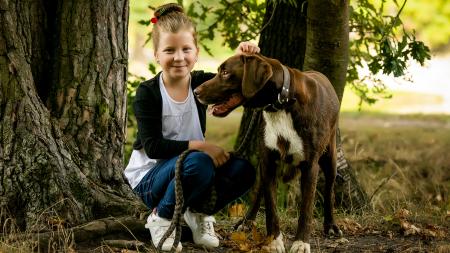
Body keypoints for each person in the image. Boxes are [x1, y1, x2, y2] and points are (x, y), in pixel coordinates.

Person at [124, 3, 258, 251]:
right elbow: (153, 148)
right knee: (199, 162)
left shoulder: (202, 84)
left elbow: (231, 79)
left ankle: (197, 213)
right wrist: (202, 146)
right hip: (150, 179)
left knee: (243, 170)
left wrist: (242, 56)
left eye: (186, 49)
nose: (178, 57)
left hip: (191, 170)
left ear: (196, 53)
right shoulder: (148, 93)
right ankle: (161, 218)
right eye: (169, 50)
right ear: (156, 55)